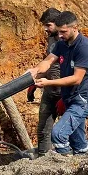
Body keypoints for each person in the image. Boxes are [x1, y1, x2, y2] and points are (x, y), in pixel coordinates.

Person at [27, 11, 88, 155]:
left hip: (82, 100)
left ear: (75, 28)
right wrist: (35, 71)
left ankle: (66, 169)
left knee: (58, 135)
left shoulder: (84, 48)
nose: (59, 36)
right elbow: (48, 61)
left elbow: (77, 78)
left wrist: (48, 82)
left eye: (63, 32)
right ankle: (82, 166)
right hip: (69, 98)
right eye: (58, 32)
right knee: (78, 144)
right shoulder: (62, 43)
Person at [28, 8, 62, 157]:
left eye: (48, 25)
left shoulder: (68, 41)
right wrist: (33, 82)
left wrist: (66, 95)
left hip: (64, 92)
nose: (45, 29)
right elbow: (49, 64)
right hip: (49, 90)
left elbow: (74, 71)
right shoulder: (51, 39)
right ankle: (42, 160)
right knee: (43, 128)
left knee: (67, 130)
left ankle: (76, 159)